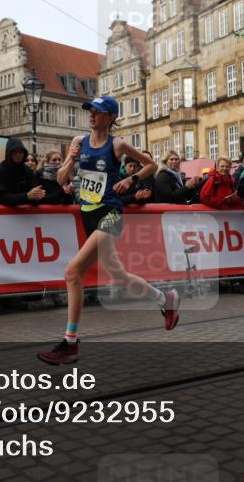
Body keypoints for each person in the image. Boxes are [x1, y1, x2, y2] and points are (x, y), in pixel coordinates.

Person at [38, 95, 179, 365]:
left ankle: (70, 342)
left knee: (72, 272)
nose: (91, 115)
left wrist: (130, 179)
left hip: (111, 215)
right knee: (119, 275)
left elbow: (151, 165)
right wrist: (70, 159)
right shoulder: (78, 143)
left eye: (98, 111)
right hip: (88, 215)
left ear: (110, 117)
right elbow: (60, 179)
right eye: (90, 110)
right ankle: (165, 299)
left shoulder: (117, 144)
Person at [0, 138, 46, 206]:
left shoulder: (28, 171)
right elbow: (2, 198)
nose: (18, 155)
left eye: (21, 152)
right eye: (15, 152)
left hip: (26, 214)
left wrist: (37, 195)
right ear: (9, 153)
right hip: (3, 214)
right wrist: (27, 196)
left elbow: (35, 193)